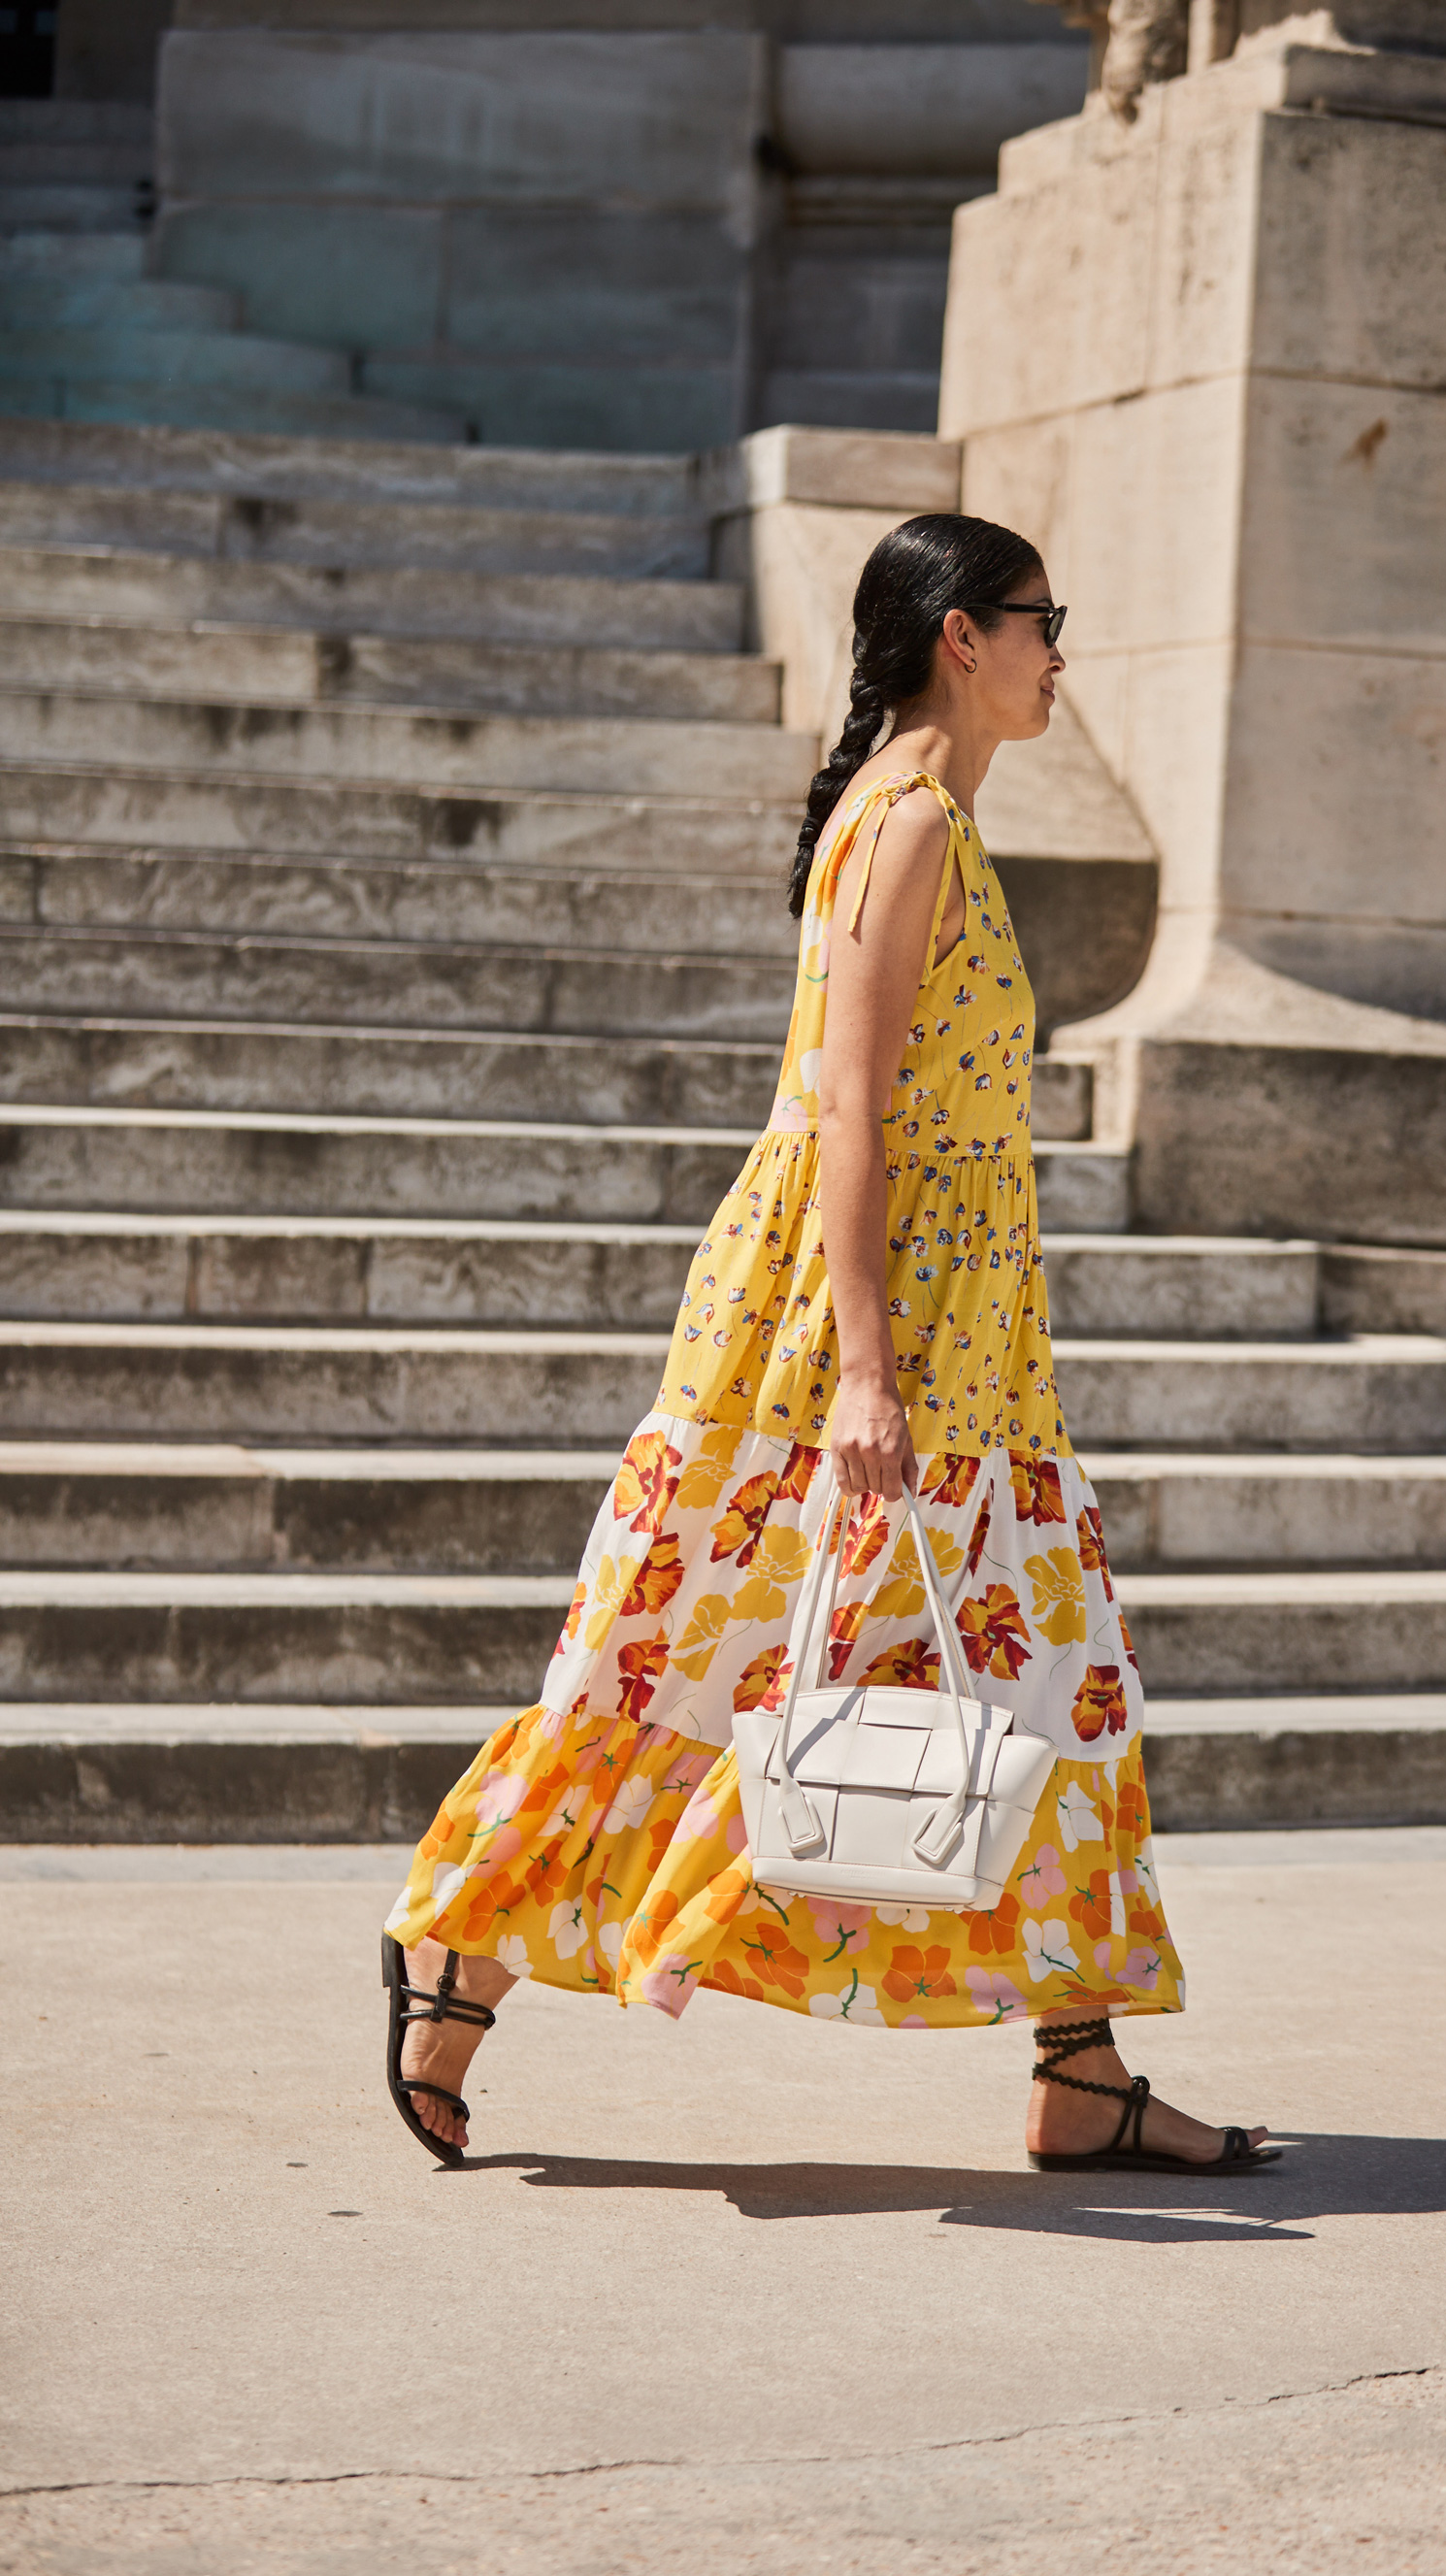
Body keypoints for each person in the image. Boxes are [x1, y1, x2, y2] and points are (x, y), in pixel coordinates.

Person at [381, 512, 1276, 2179]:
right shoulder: (909, 820)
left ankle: (1080, 2072)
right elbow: (848, 1115)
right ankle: (461, 1954)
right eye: (1039, 622)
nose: (1057, 654)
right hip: (849, 1332)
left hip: (969, 1330)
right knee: (690, 1647)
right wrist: (868, 1369)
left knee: (1043, 1681)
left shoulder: (927, 820)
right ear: (960, 636)